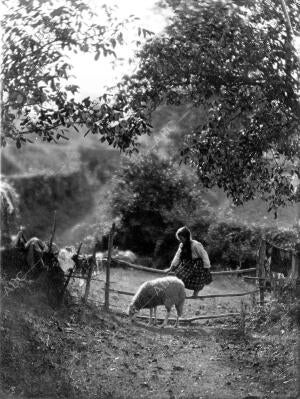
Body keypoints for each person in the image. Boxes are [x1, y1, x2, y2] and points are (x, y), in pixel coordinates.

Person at [164, 226, 212, 297]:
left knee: (198, 280)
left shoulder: (196, 245)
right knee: (179, 276)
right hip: (187, 264)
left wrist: (206, 267)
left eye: (182, 238)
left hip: (198, 265)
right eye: (179, 238)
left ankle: (195, 294)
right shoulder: (182, 245)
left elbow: (204, 255)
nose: (180, 240)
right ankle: (181, 293)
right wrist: (171, 267)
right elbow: (177, 256)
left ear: (186, 237)